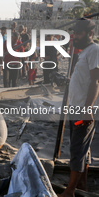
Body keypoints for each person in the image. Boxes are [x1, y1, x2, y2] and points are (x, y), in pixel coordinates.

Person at [58, 19, 98, 197]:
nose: (75, 36)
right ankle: (81, 185)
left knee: (77, 149)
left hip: (83, 109)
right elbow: (85, 78)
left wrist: (87, 109)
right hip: (76, 108)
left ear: (90, 33)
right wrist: (71, 80)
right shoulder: (84, 52)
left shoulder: (95, 50)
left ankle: (70, 191)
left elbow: (96, 82)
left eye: (79, 33)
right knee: (83, 148)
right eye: (74, 32)